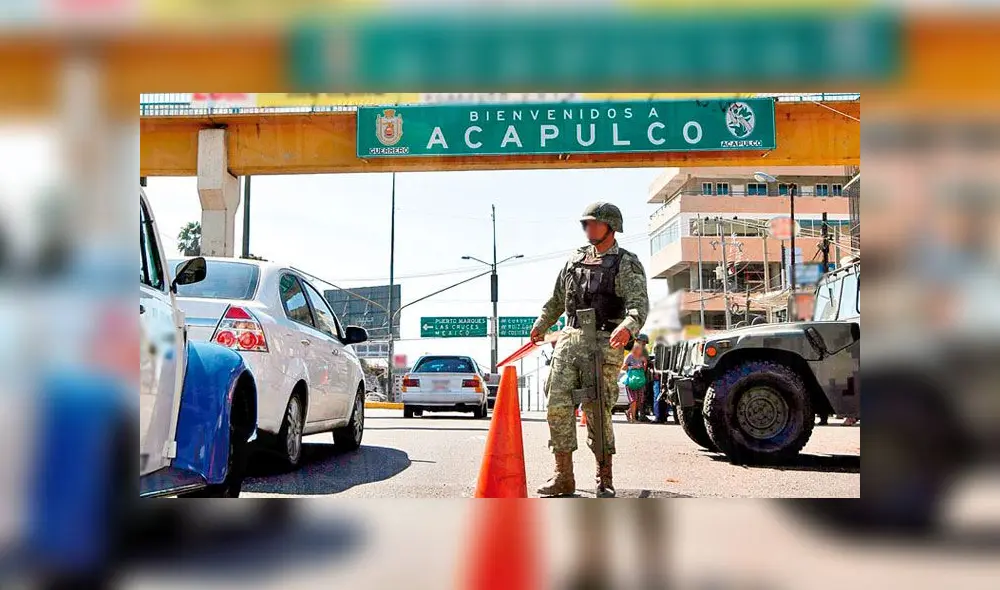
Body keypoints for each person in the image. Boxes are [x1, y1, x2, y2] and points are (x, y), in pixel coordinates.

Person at [530, 202, 649, 498]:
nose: (587, 228)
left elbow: (638, 305)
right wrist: (542, 324)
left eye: (593, 223)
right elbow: (557, 299)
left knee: (598, 411)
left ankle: (604, 477)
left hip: (605, 342)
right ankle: (563, 476)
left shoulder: (626, 263)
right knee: (557, 406)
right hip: (570, 340)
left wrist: (628, 326)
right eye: (585, 223)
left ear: (611, 226)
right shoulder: (574, 260)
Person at [621, 340, 648, 422]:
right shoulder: (629, 356)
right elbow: (623, 368)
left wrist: (645, 363)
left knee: (639, 401)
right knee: (633, 400)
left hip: (639, 381)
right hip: (631, 381)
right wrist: (632, 367)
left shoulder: (641, 357)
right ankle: (633, 419)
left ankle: (628, 411)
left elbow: (644, 370)